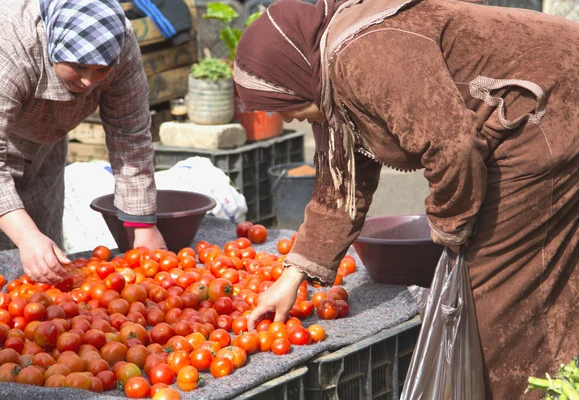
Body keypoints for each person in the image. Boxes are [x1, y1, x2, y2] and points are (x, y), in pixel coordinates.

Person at [234, 0, 579, 398]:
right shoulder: (325, 76)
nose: (289, 120)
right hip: (525, 111)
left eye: (286, 106)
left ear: (295, 72)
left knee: (495, 286)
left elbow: (452, 147)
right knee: (526, 265)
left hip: (551, 104)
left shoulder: (364, 56)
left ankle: (526, 387)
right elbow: (339, 189)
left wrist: (450, 227)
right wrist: (292, 277)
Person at [0, 0, 167, 285]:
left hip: (44, 148)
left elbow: (130, 135)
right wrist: (26, 236)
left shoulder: (119, 44)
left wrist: (142, 225)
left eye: (102, 70)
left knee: (46, 267)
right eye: (78, 66)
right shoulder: (7, 47)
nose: (89, 82)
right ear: (53, 48)